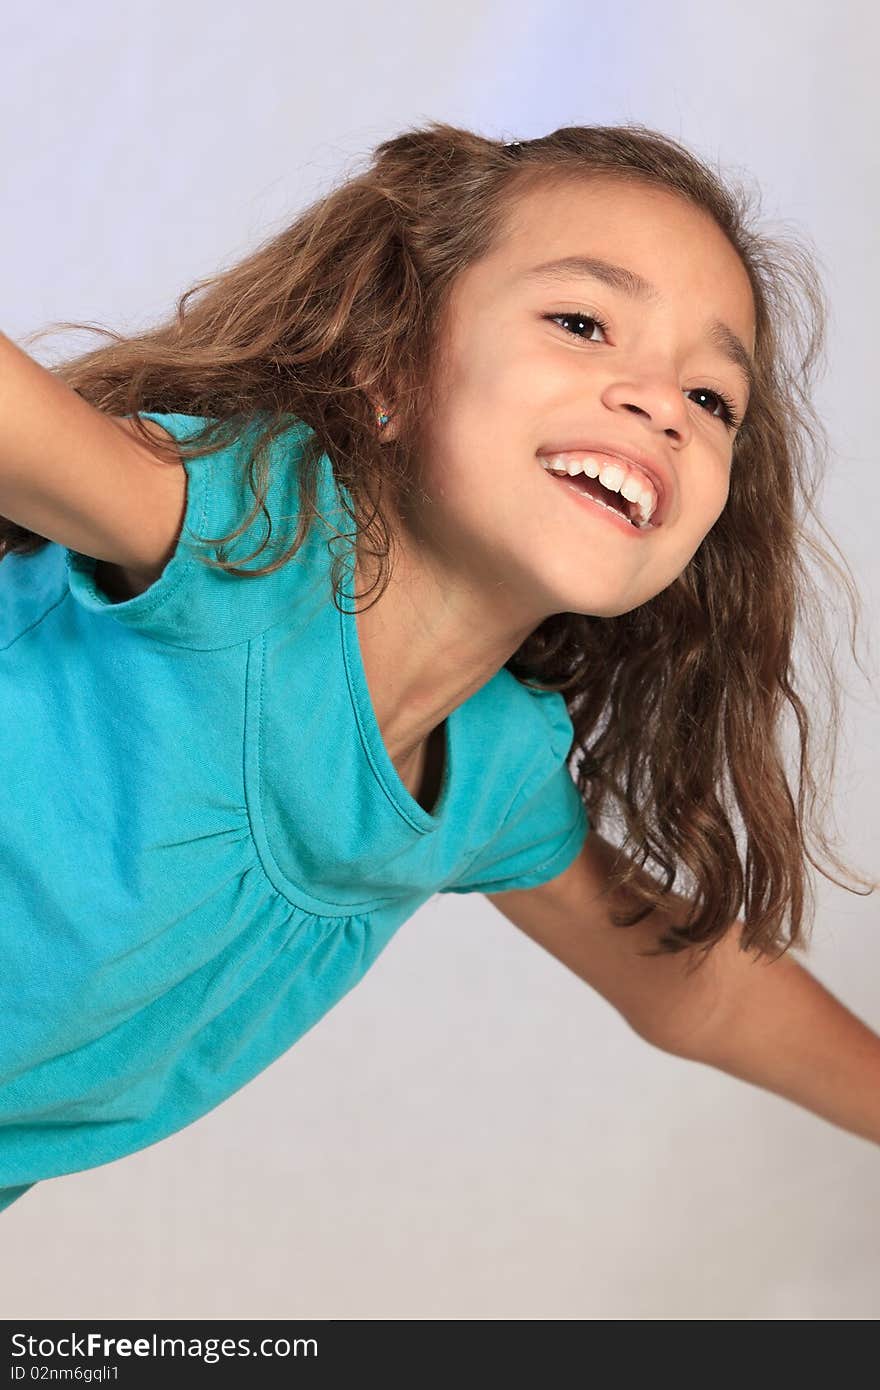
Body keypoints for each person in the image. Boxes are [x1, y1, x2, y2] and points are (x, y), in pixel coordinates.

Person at [1, 121, 877, 1217]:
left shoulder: (491, 772)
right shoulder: (248, 537)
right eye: (581, 322)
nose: (661, 401)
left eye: (712, 400)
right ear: (390, 361)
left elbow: (704, 997)